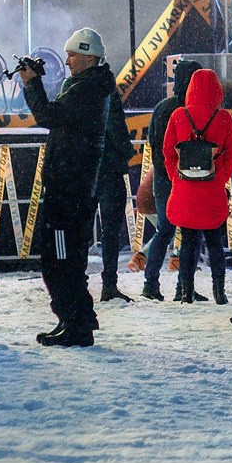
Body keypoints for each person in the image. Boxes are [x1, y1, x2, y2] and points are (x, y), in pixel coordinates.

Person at [16, 29, 115, 347]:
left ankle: (74, 322)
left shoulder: (86, 90)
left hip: (67, 192)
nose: (67, 61)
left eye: (72, 55)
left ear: (88, 58)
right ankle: (78, 319)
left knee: (58, 261)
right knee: (69, 260)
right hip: (75, 188)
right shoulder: (91, 87)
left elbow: (47, 115)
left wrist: (32, 83)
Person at [163, 61, 232, 308]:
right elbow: (231, 153)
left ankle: (187, 291)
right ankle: (219, 291)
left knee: (188, 241)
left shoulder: (178, 116)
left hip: (185, 188)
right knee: (215, 242)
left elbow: (167, 151)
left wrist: (177, 176)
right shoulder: (224, 119)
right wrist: (221, 176)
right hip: (212, 189)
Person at [138, 55, 200, 301]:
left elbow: (155, 144)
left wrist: (164, 173)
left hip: (163, 180)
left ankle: (150, 284)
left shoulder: (163, 107)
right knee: (191, 233)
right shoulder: (193, 110)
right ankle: (184, 287)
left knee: (163, 231)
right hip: (189, 179)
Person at [94, 71, 135, 304]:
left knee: (83, 230)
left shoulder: (78, 90)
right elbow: (116, 128)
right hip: (109, 170)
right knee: (110, 230)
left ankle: (82, 285)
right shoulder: (107, 93)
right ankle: (109, 284)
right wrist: (127, 152)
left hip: (88, 168)